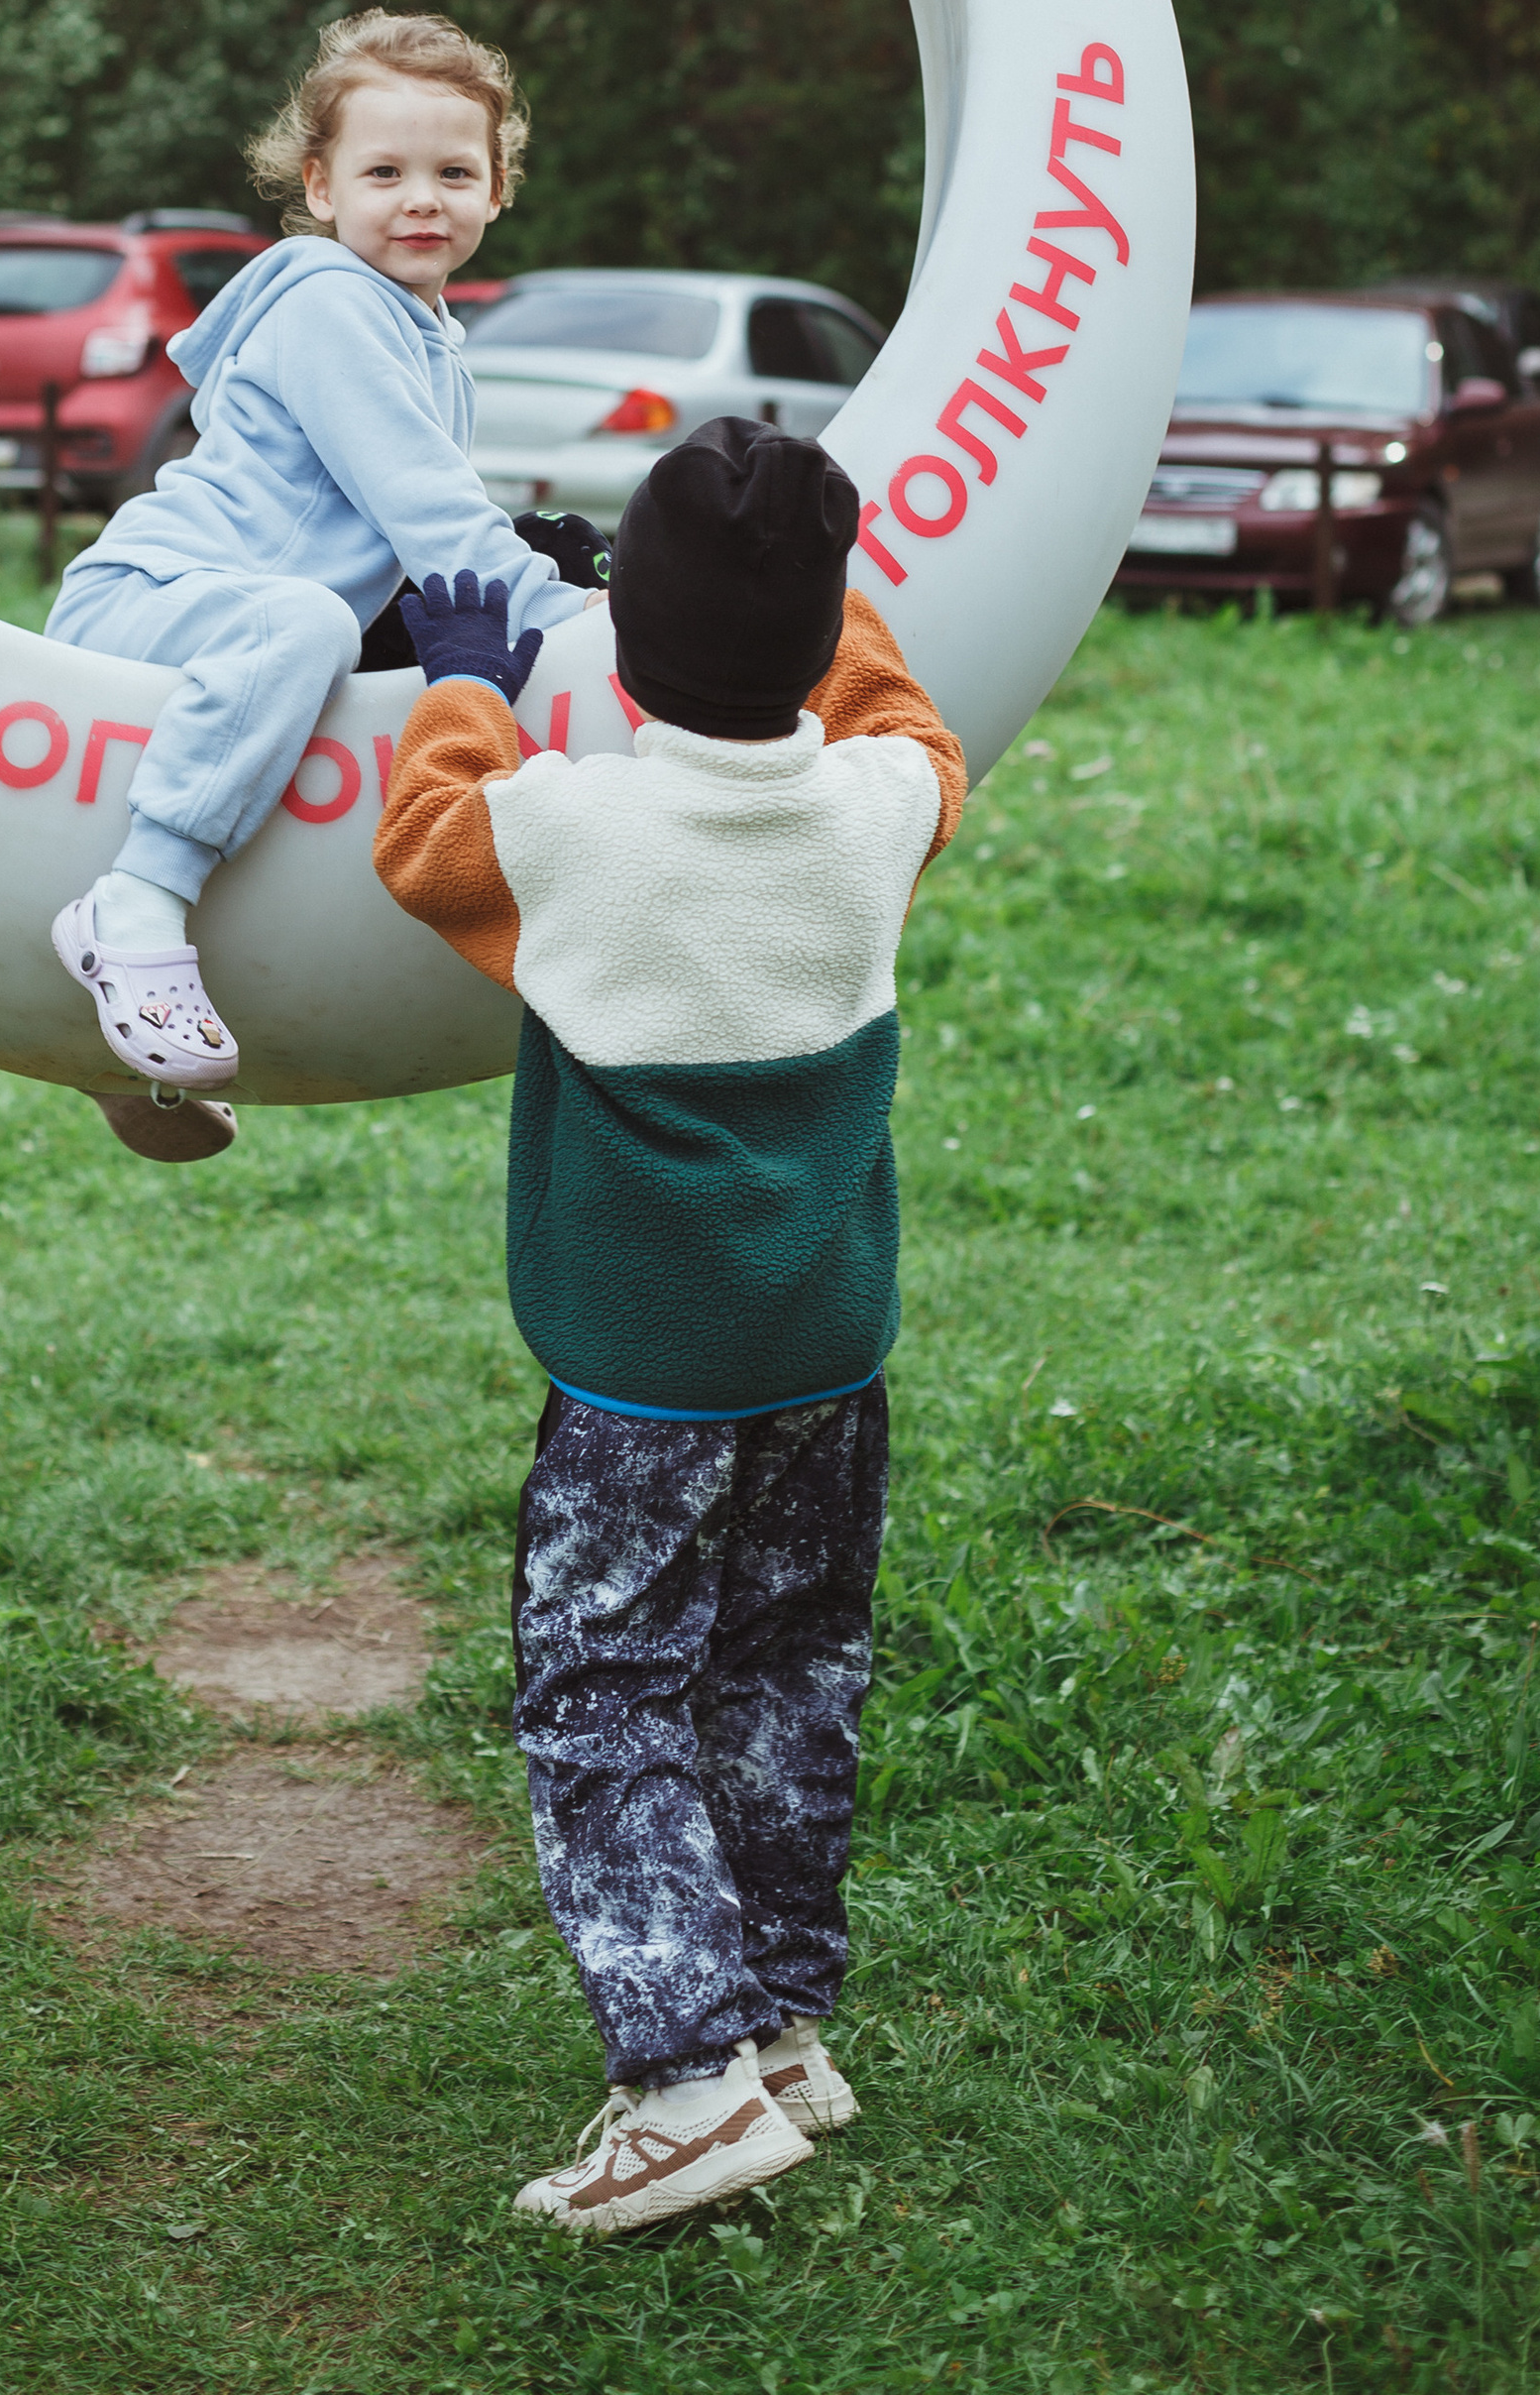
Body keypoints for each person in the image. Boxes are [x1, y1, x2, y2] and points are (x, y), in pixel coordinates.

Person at [373, 418, 964, 2238]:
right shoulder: (881, 807)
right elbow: (911, 725)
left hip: (644, 1376)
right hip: (825, 1352)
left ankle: (687, 2084)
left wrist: (465, 679)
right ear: (820, 627)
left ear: (622, 645)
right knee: (791, 1667)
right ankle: (782, 2030)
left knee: (605, 1695)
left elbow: (423, 838)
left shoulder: (573, 824)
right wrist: (800, 598)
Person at [46, 8, 597, 1160]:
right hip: (157, 597)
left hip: (249, 630)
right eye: (383, 171)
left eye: (454, 171)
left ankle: (106, 1048)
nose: (421, 199)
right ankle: (133, 904)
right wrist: (587, 631)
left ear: (498, 189)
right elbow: (430, 514)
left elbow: (416, 540)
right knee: (306, 623)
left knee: (342, 653)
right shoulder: (332, 308)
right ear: (320, 184)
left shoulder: (426, 331)